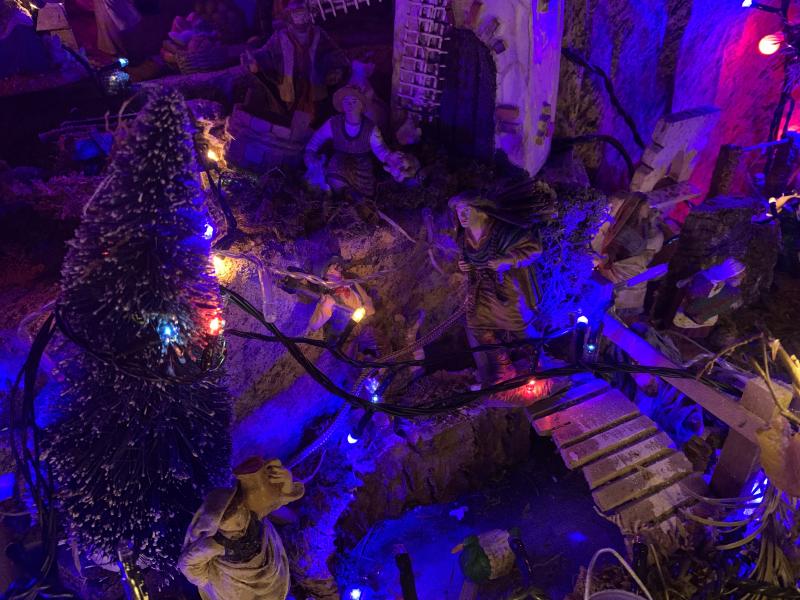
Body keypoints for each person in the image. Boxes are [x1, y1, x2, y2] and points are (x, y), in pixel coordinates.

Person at [450, 180, 555, 387]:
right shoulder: (464, 236)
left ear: (481, 211)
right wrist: (465, 265)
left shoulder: (504, 232)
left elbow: (534, 249)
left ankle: (538, 363)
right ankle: (503, 366)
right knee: (478, 326)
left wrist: (508, 260)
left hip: (507, 288)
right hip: (481, 289)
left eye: (467, 210)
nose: (462, 216)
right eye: (459, 211)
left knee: (520, 327)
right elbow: (470, 257)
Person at [178, 457, 304, 600]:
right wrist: (286, 487)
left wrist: (210, 574)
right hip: (246, 561)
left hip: (228, 572)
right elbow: (269, 504)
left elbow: (189, 566)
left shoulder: (217, 542)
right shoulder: (276, 585)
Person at [240, 0, 348, 123]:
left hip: (314, 82)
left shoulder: (318, 33)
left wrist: (336, 68)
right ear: (290, 16)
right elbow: (265, 53)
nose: (300, 17)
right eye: (296, 14)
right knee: (291, 112)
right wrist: (253, 58)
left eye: (303, 13)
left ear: (308, 14)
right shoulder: (280, 36)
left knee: (317, 112)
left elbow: (334, 52)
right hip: (291, 82)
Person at [305, 86, 407, 199]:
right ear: (342, 105)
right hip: (338, 164)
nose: (350, 105)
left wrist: (389, 157)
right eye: (346, 101)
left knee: (359, 195)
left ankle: (356, 201)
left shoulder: (370, 128)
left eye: (354, 101)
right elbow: (317, 139)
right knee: (335, 180)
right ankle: (336, 196)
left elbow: (380, 149)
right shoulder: (333, 123)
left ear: (361, 105)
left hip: (361, 168)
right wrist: (310, 152)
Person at [592, 192, 664, 321]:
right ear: (637, 208)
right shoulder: (623, 231)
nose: (648, 209)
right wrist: (606, 259)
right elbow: (612, 250)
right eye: (646, 206)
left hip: (636, 276)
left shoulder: (643, 226)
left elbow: (652, 244)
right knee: (612, 315)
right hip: (622, 276)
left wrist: (652, 222)